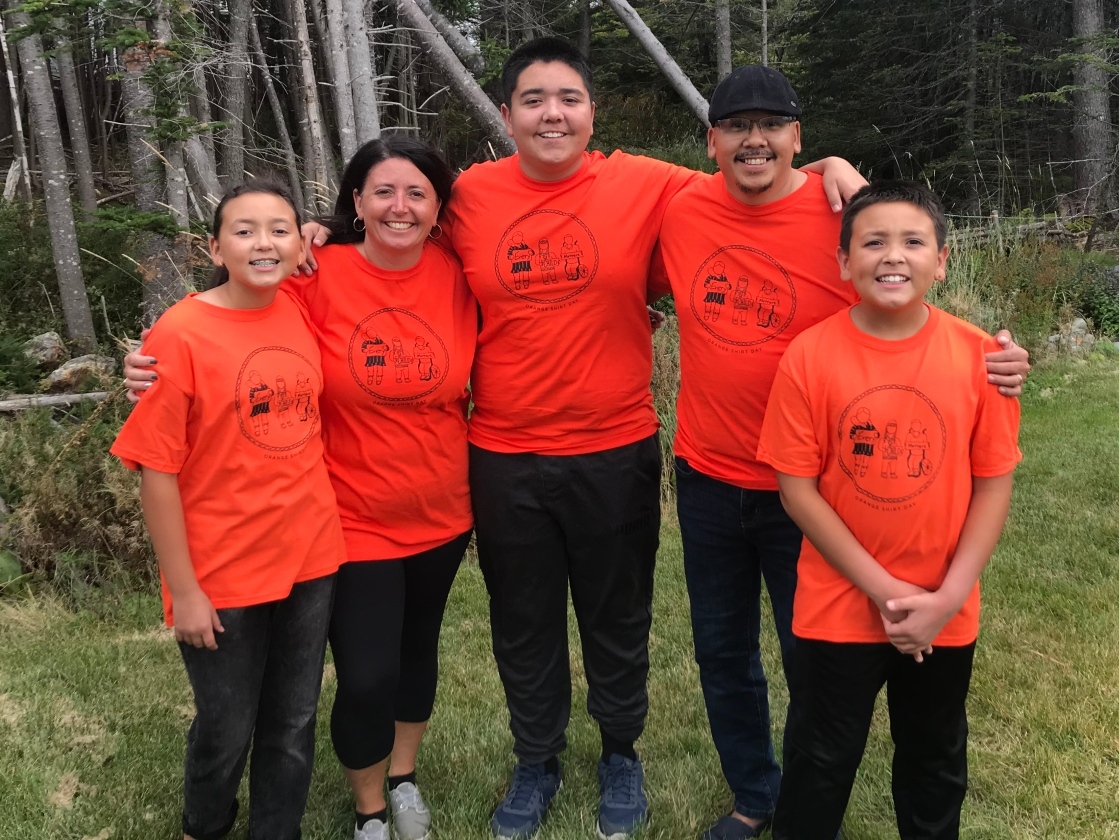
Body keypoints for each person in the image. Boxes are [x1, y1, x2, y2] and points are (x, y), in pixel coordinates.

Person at [296, 38, 862, 840]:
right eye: (533, 100)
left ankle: (620, 755)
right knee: (522, 623)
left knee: (617, 618)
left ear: (591, 112)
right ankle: (536, 762)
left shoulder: (650, 185)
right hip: (503, 454)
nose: (552, 113)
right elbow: (397, 222)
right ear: (506, 116)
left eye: (568, 98)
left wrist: (838, 164)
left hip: (615, 445)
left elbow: (758, 172)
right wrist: (319, 236)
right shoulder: (471, 198)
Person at [648, 66, 1029, 840]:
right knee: (723, 656)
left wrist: (998, 359)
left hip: (820, 490)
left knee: (816, 665)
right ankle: (758, 795)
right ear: (711, 140)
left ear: (798, 137)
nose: (754, 139)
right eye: (736, 125)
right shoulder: (679, 205)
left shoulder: (839, 215)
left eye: (772, 125)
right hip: (710, 474)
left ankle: (811, 796)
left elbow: (906, 269)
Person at [124, 137, 478, 840]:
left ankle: (369, 793)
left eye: (417, 193)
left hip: (388, 524)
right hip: (315, 530)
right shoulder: (302, 283)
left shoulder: (451, 274)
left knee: (359, 683)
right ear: (355, 200)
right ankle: (306, 814)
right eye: (382, 191)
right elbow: (224, 321)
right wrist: (144, 363)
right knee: (321, 689)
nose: (399, 206)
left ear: (440, 208)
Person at [756, 181, 1021, 839]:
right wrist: (886, 591)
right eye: (872, 242)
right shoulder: (810, 357)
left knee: (934, 759)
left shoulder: (983, 358)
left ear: (943, 260)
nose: (892, 256)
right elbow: (798, 491)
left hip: (944, 608)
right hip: (837, 608)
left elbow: (992, 486)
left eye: (912, 241)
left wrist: (945, 598)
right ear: (843, 262)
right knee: (820, 759)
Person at [110, 179, 345, 840]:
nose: (262, 242)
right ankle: (204, 827)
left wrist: (323, 230)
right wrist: (184, 590)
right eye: (244, 231)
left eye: (279, 228)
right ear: (214, 247)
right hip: (222, 572)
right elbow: (157, 472)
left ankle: (277, 829)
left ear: (301, 243)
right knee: (226, 724)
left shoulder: (296, 307)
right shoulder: (181, 332)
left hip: (309, 555)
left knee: (294, 720)